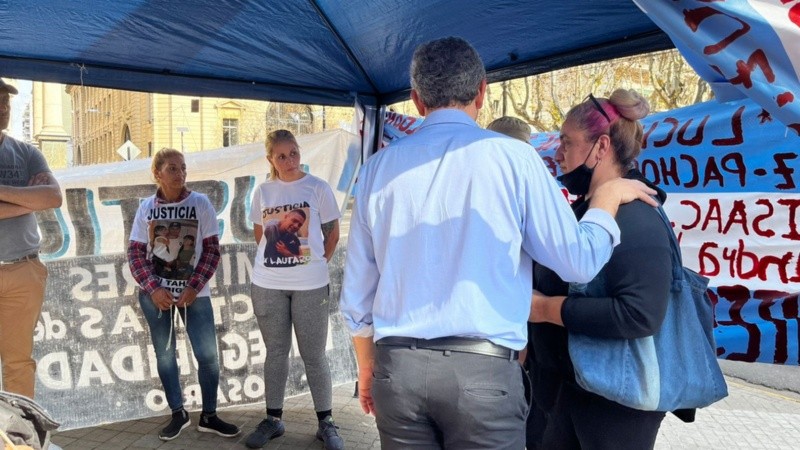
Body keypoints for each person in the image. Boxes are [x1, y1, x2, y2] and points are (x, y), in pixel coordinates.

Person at [339, 37, 658, 449]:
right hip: (483, 375)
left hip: (397, 370)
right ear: (482, 92)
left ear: (417, 99)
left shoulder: (377, 169)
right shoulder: (515, 160)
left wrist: (367, 367)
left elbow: (356, 295)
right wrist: (607, 200)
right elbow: (578, 261)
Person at [527, 90, 672, 449]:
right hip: (568, 389)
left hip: (613, 407)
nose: (557, 154)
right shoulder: (588, 213)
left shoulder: (636, 217)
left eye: (567, 142)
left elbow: (640, 314)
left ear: (602, 147)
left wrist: (545, 308)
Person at [127, 148, 240, 441]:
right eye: (173, 169)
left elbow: (212, 250)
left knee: (208, 356)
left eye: (183, 168)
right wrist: (153, 289)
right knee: (165, 356)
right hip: (156, 296)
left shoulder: (200, 203)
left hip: (195, 294)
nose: (180, 174)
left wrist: (193, 286)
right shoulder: (146, 208)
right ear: (158, 173)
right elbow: (136, 254)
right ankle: (178, 413)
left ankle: (209, 416)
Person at [244, 129, 343, 450]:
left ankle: (326, 423)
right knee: (275, 353)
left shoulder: (318, 188)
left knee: (314, 355)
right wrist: (281, 264)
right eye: (282, 155)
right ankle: (273, 419)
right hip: (268, 284)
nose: (289, 160)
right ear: (271, 159)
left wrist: (314, 264)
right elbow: (261, 236)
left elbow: (332, 234)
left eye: (294, 153)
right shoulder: (263, 192)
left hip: (311, 287)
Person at [0, 78, 62, 399]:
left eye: (6, 102)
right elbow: (37, 199)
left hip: (23, 272)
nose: (3, 108)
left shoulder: (26, 153)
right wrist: (25, 199)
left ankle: (18, 440)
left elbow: (52, 197)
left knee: (18, 363)